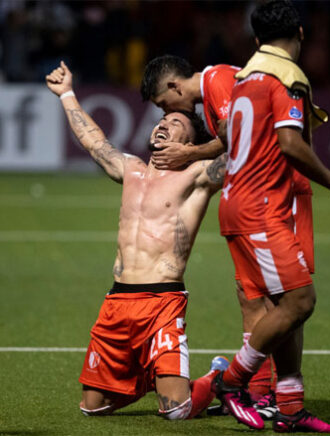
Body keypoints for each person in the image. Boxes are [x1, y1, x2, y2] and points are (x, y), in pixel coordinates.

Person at [200, 1, 330, 432]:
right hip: (263, 208)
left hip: (237, 203)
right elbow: (290, 144)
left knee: (277, 307)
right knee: (300, 301)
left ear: (255, 38)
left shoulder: (245, 77)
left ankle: (290, 408)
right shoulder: (287, 77)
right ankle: (232, 381)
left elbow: (227, 134)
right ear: (301, 33)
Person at [45, 61, 226, 420]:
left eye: (176, 124)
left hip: (162, 302)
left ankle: (220, 379)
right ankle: (153, 378)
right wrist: (66, 93)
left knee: (177, 411)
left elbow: (241, 150)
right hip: (116, 302)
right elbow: (94, 141)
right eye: (162, 120)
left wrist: (198, 152)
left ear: (190, 142)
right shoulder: (131, 169)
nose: (163, 123)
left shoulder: (197, 176)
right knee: (91, 409)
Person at [141, 53, 316, 418]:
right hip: (253, 201)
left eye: (164, 104)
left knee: (282, 299)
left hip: (279, 196)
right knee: (251, 296)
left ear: (174, 86)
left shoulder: (219, 79)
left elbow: (238, 137)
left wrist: (189, 152)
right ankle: (258, 392)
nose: (167, 112)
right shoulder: (211, 98)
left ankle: (256, 388)